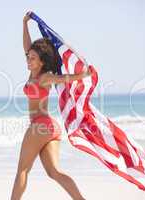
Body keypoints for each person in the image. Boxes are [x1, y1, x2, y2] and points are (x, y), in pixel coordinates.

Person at [10, 11, 90, 200]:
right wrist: (24, 24)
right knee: (54, 172)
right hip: (50, 127)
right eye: (28, 57)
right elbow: (27, 46)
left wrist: (82, 75)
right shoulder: (33, 70)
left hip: (40, 125)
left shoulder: (44, 77)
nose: (28, 60)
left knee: (22, 170)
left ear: (42, 61)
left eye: (32, 58)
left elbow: (63, 78)